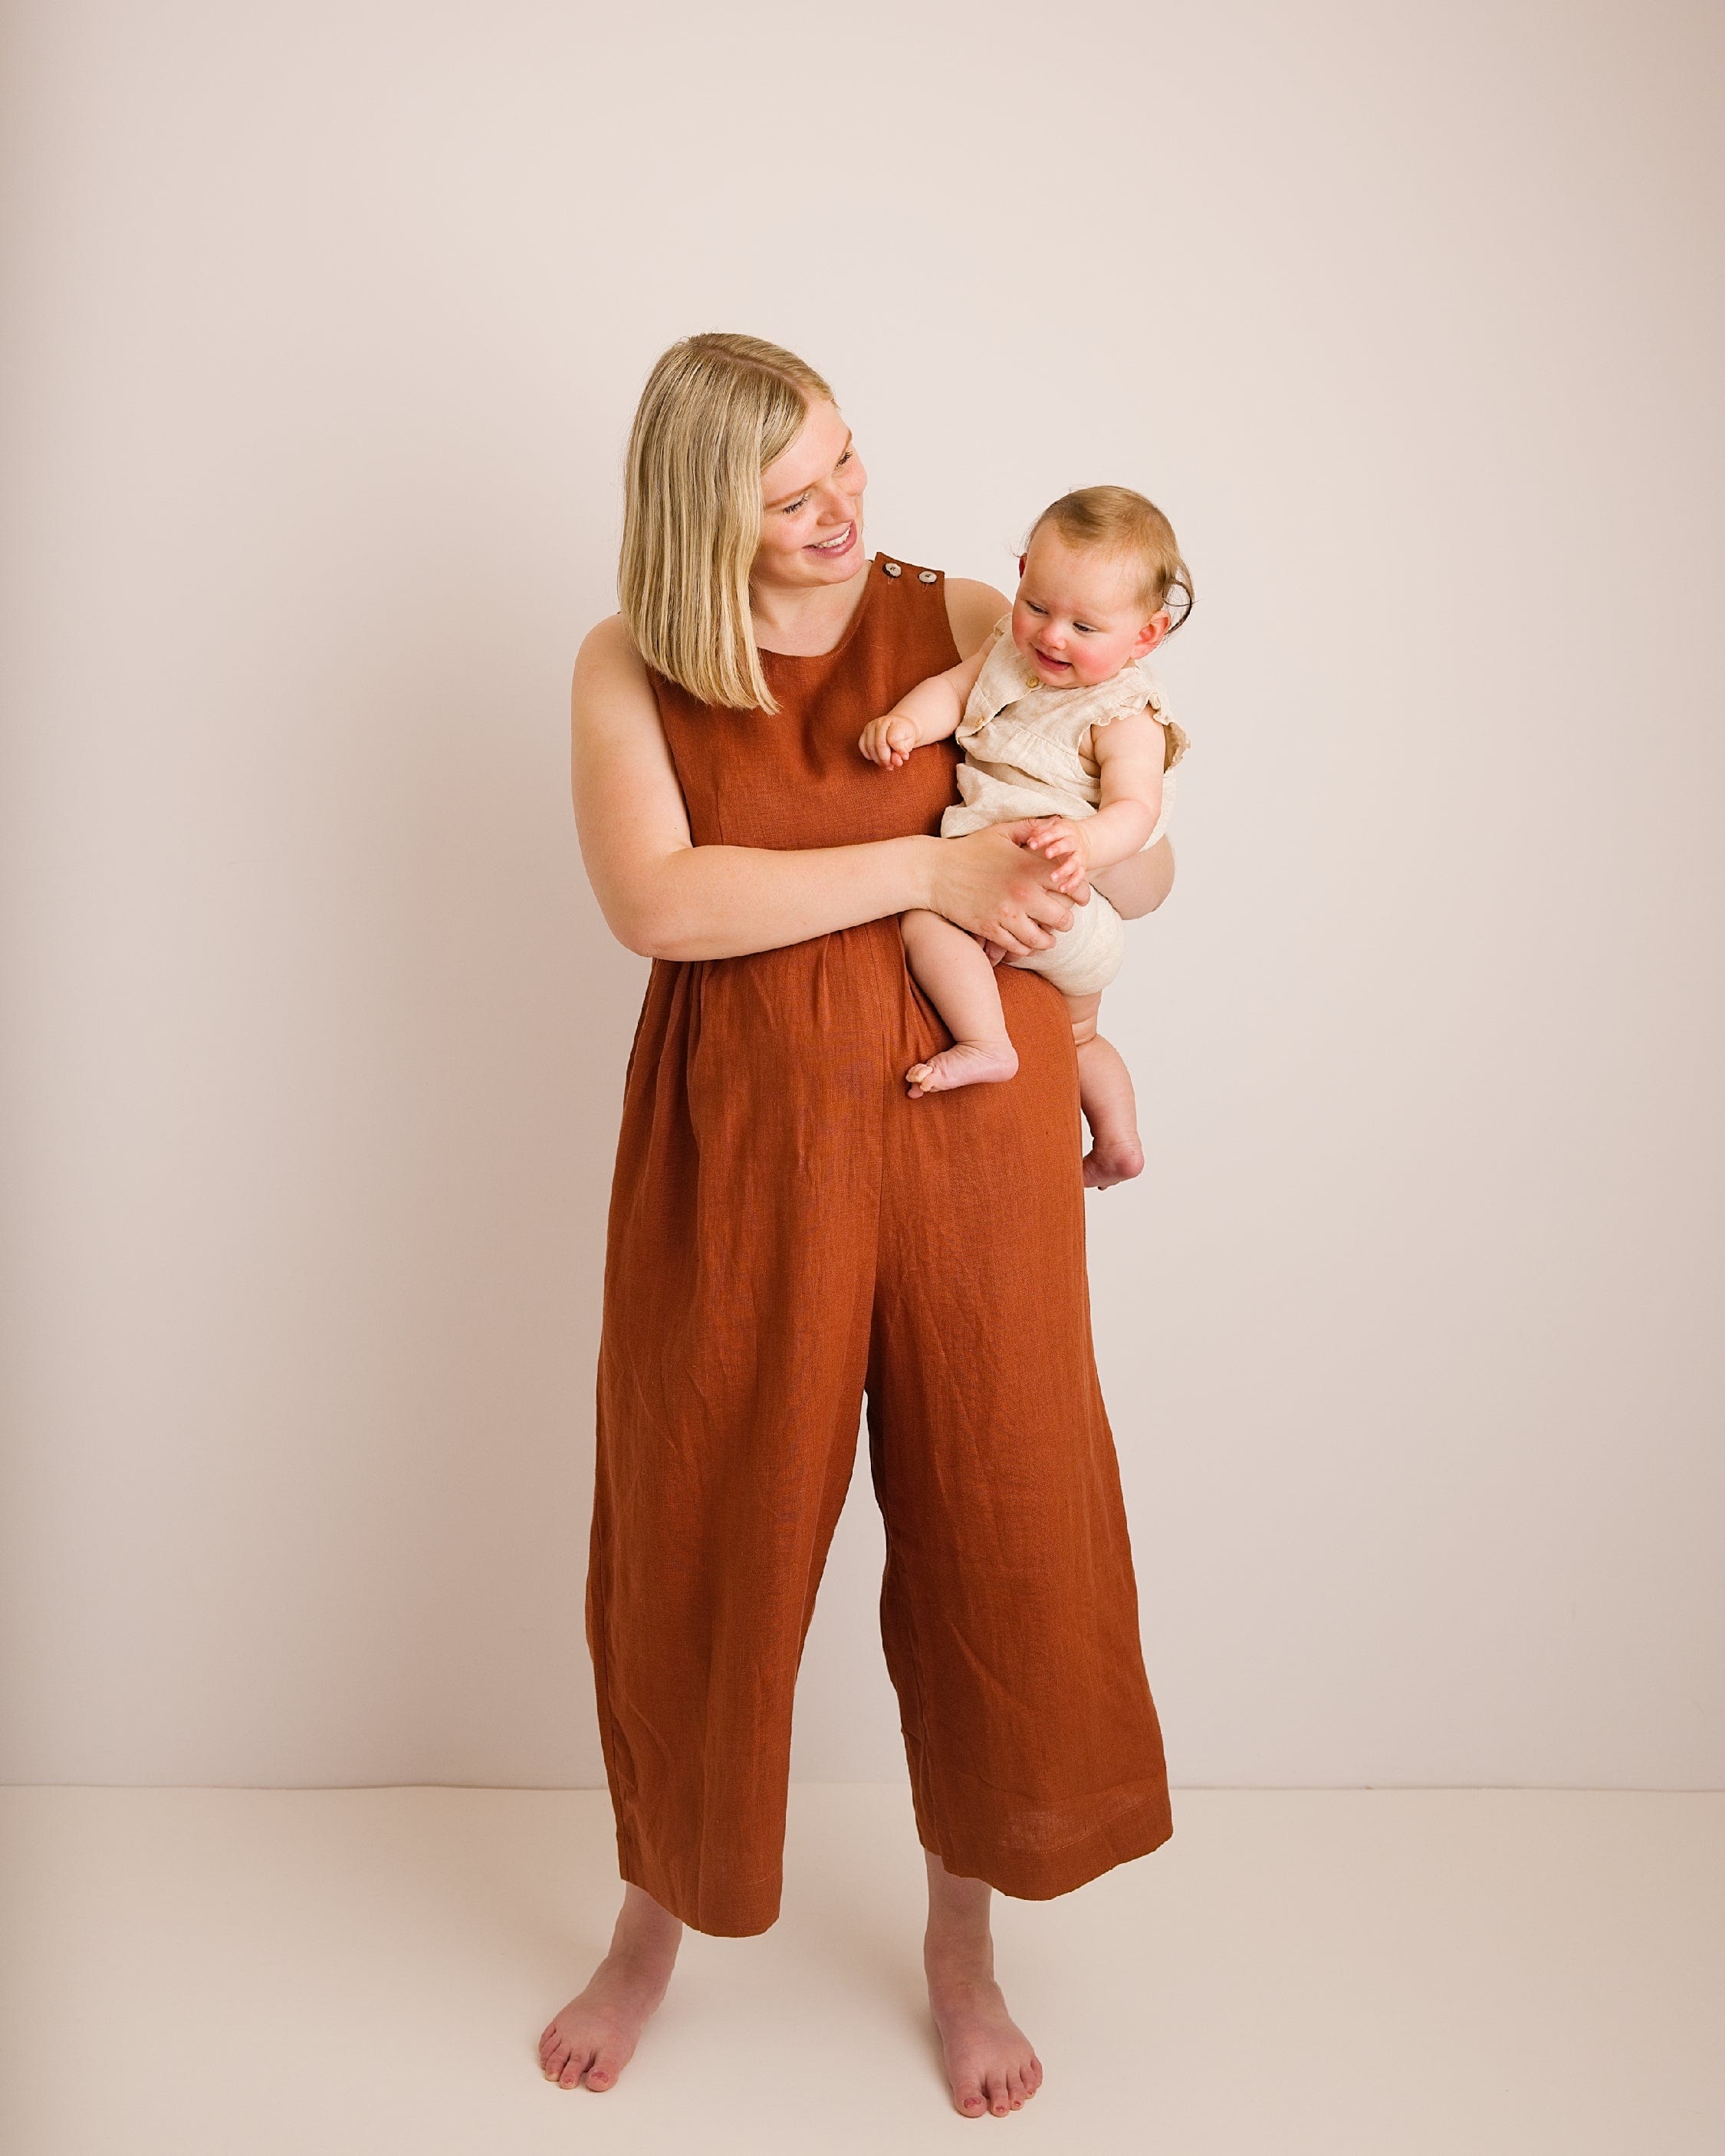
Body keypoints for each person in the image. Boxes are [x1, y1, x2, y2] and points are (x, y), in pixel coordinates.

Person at [541, 332, 1178, 2120]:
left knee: (999, 1511)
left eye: (849, 462)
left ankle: (962, 1946)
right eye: (796, 491)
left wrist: (1106, 879)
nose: (845, 508)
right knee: (706, 1518)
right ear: (700, 513)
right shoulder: (629, 664)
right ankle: (654, 1917)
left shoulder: (971, 611)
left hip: (969, 1126)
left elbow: (1120, 865)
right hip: (742, 1143)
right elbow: (658, 899)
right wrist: (924, 867)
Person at [857, 484, 1194, 1188]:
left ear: (1145, 636)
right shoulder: (1005, 655)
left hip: (1062, 894)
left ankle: (986, 1042)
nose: (1051, 636)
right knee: (1081, 1037)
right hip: (1061, 918)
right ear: (1019, 576)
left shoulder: (1127, 712)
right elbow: (952, 694)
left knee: (923, 920)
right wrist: (908, 726)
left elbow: (1136, 809)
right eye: (1038, 606)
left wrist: (1084, 844)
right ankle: (1119, 1143)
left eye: (1085, 627)